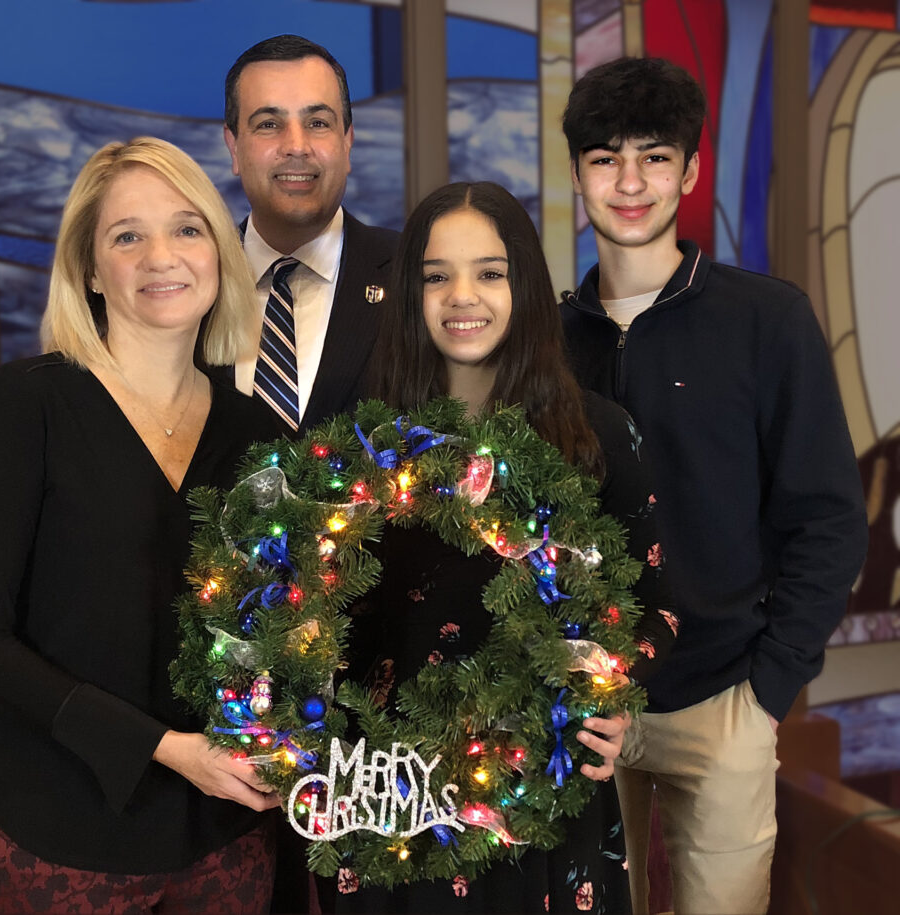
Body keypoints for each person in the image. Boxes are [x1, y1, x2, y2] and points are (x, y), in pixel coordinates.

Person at [0, 137, 283, 914]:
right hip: (59, 832)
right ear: (91, 269)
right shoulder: (32, 403)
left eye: (188, 228)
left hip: (223, 837)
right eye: (128, 235)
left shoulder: (258, 434)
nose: (163, 255)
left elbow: (277, 626)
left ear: (220, 253)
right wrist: (164, 749)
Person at [559, 57, 868, 915]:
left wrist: (771, 688)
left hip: (725, 695)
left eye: (655, 157)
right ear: (577, 172)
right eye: (605, 158)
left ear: (690, 171)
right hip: (581, 705)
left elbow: (829, 518)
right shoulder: (547, 341)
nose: (629, 182)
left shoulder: (767, 320)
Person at [333, 181, 678, 914]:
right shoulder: (366, 444)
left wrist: (609, 700)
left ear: (523, 283)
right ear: (410, 294)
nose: (464, 296)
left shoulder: (599, 435)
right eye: (437, 276)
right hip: (398, 801)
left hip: (546, 800)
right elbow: (332, 621)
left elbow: (661, 609)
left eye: (490, 272)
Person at [223, 34, 399, 433]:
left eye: (317, 123)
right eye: (269, 125)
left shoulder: (413, 275)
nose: (297, 146)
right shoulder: (191, 283)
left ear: (347, 142)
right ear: (233, 147)